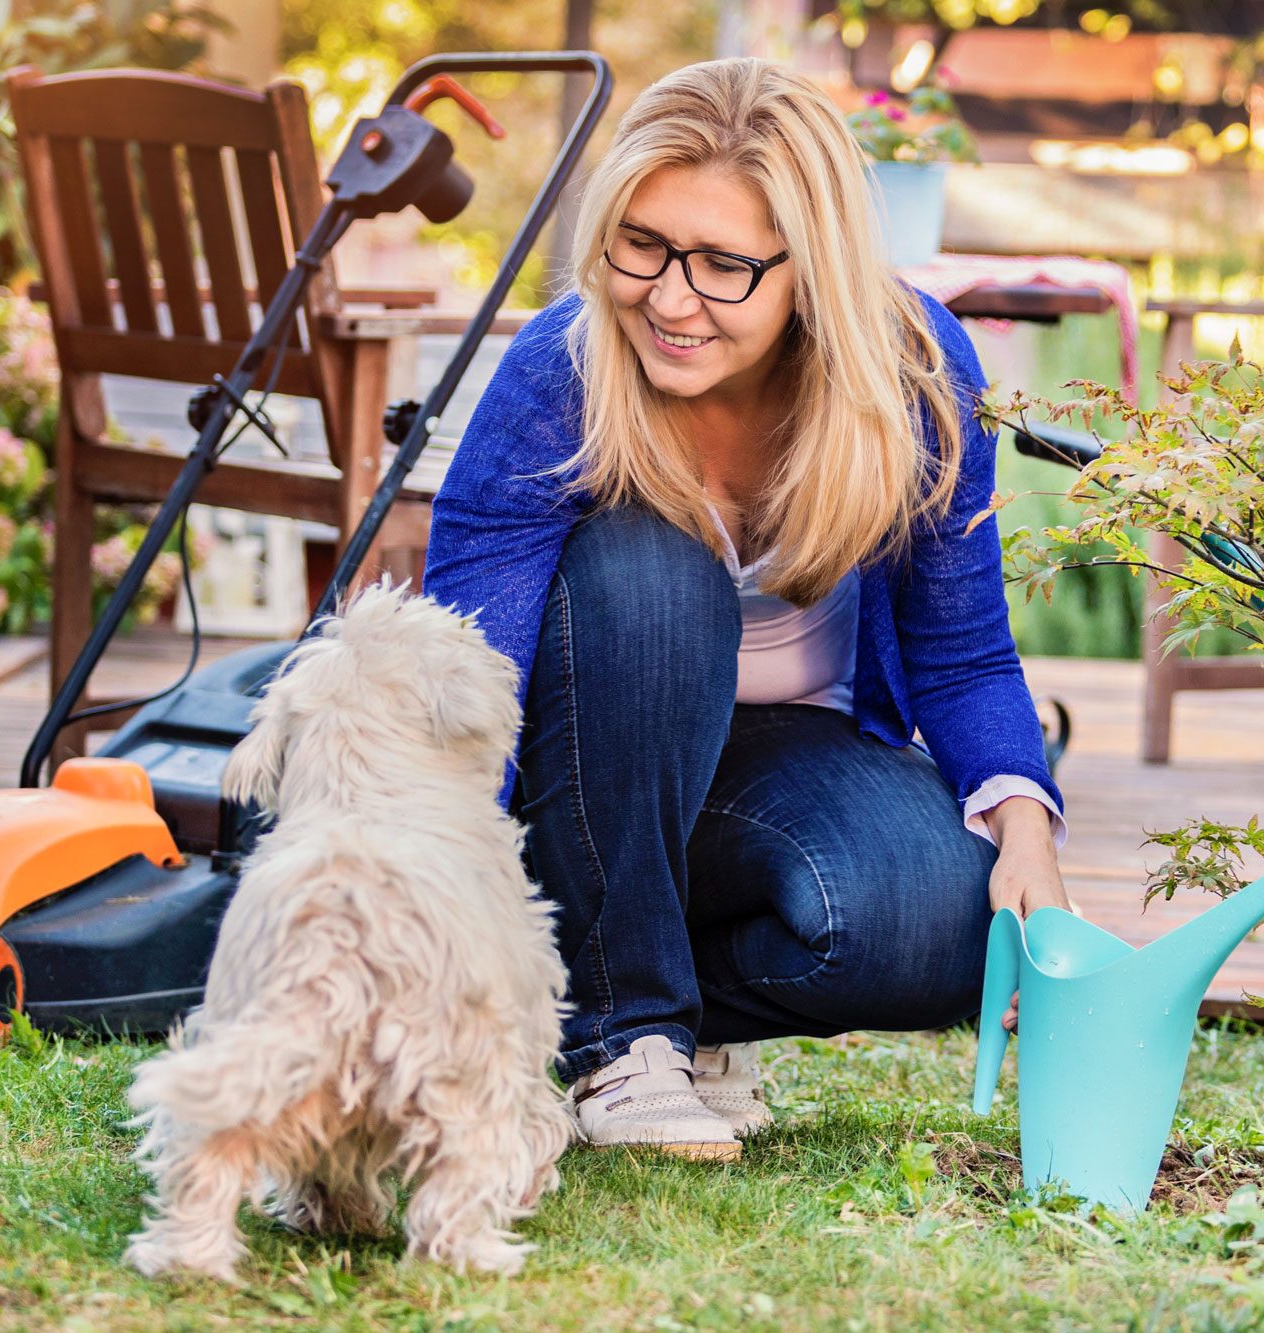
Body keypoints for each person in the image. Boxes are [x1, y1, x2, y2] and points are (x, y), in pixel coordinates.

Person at [421, 57, 1069, 1162]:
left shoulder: (912, 379)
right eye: (643, 244)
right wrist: (425, 897)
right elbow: (462, 674)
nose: (670, 299)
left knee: (936, 917)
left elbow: (960, 658)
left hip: (771, 759)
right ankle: (624, 1043)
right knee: (647, 574)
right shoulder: (561, 373)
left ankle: (640, 994)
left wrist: (1027, 834)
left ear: (808, 273)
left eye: (723, 265)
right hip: (568, 774)